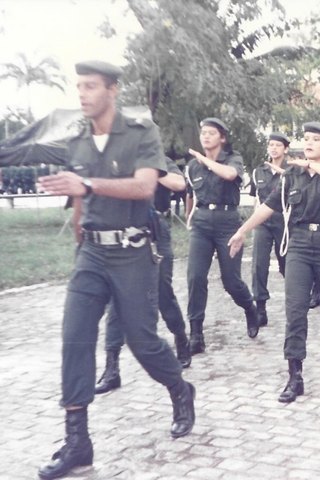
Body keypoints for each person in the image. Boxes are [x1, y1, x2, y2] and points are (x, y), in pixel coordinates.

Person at [36, 60, 195, 480]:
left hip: (132, 252)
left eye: (90, 86)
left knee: (142, 341)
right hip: (91, 253)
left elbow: (144, 186)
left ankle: (180, 390)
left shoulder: (141, 134)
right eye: (79, 86)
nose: (82, 94)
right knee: (75, 337)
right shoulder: (77, 140)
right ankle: (78, 443)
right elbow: (79, 202)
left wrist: (87, 185)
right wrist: (79, 245)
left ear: (112, 90)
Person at [228, 122, 320, 403]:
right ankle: (295, 376)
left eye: (316, 139)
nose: (308, 143)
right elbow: (268, 206)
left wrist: (309, 164)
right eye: (306, 138)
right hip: (299, 246)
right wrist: (242, 230)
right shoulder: (292, 175)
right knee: (295, 311)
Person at [94, 156, 192, 396]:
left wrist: (149, 169)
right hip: (120, 231)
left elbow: (179, 184)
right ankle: (112, 368)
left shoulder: (158, 159)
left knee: (161, 292)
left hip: (154, 229)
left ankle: (180, 337)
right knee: (117, 299)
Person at [185, 117, 260, 353]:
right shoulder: (193, 166)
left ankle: (250, 308)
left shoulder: (233, 158)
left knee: (231, 281)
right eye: (203, 133)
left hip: (227, 223)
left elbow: (229, 175)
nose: (206, 137)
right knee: (195, 277)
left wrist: (206, 161)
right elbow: (190, 192)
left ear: (222, 138)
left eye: (211, 133)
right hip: (201, 224)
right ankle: (196, 334)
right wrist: (189, 215)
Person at [249, 132, 290, 327]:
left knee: (287, 263)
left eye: (278, 145)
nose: (274, 148)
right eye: (271, 145)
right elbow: (256, 199)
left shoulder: (292, 171)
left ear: (285, 149)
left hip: (284, 220)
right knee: (259, 264)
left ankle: (299, 297)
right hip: (263, 222)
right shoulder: (259, 172)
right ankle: (260, 308)